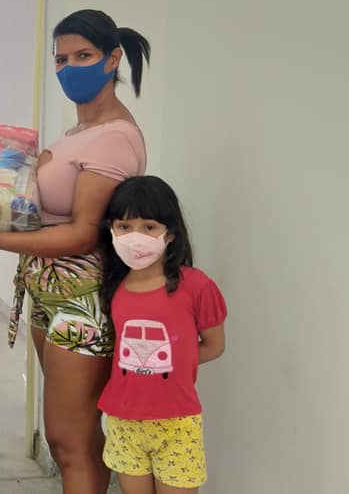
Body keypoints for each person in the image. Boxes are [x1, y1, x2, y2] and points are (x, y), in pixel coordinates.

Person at [0, 10, 150, 494]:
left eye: (83, 56)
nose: (69, 68)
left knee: (71, 441)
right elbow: (43, 211)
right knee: (69, 439)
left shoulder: (114, 137)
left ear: (113, 59)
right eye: (61, 59)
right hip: (49, 294)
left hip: (83, 300)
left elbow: (83, 234)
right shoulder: (78, 133)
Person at [97, 175, 227, 494]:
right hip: (124, 421)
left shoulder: (196, 286)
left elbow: (214, 346)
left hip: (177, 423)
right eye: (124, 226)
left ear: (169, 233)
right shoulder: (114, 288)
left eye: (149, 227)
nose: (135, 237)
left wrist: (174, 363)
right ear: (111, 229)